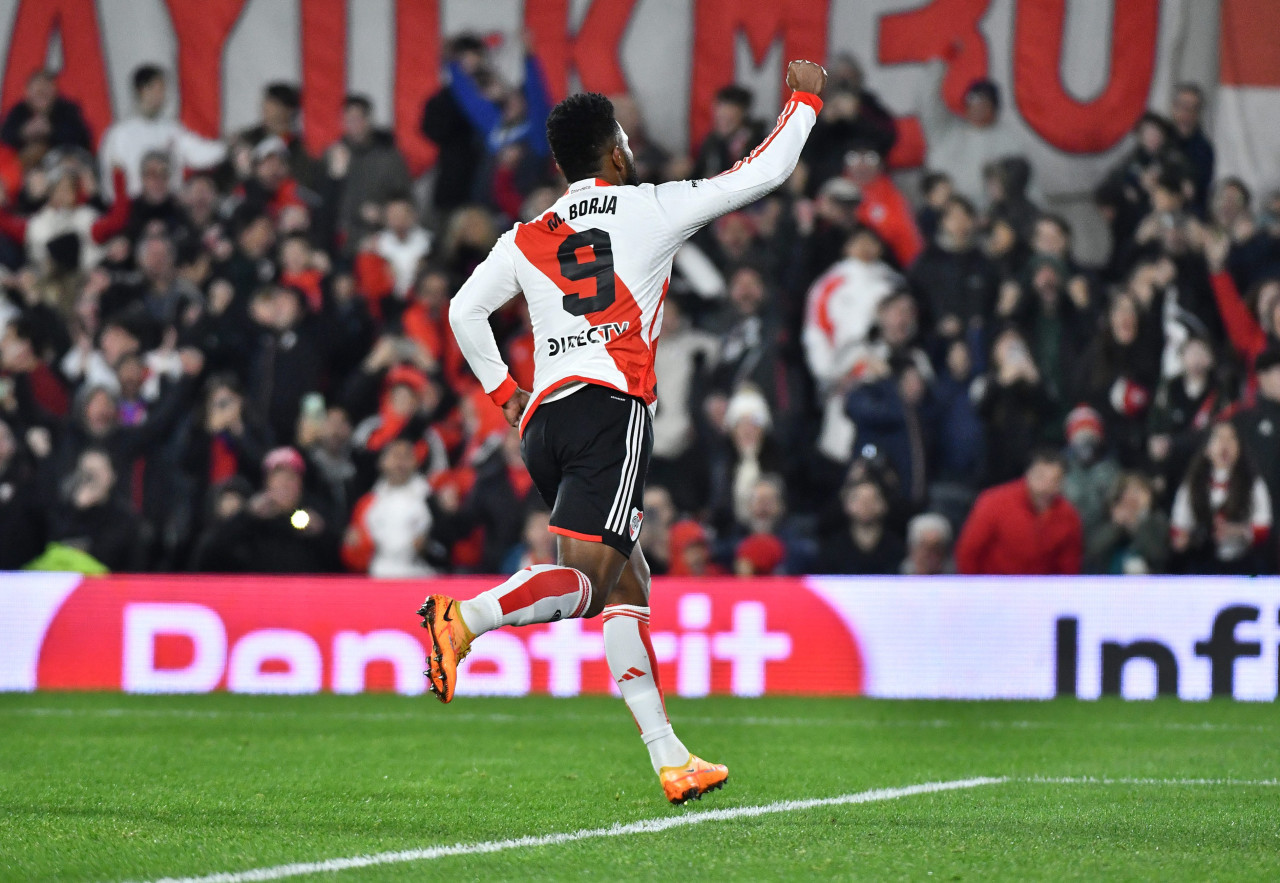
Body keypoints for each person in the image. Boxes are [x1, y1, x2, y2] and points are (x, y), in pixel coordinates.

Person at [427, 61, 827, 805]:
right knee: (588, 584)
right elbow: (761, 173)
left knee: (628, 584)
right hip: (611, 410)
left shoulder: (529, 234)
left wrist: (504, 392)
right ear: (614, 148)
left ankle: (671, 756)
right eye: (625, 137)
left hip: (545, 421)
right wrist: (804, 101)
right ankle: (468, 618)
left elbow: (461, 312)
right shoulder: (650, 206)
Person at [98, 66, 225, 199]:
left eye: (163, 90)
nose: (163, 95)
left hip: (170, 207)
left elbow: (198, 152)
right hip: (136, 208)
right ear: (142, 90)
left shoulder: (171, 129)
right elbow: (109, 178)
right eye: (158, 89)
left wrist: (228, 149)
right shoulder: (119, 134)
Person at [955, 448, 1083, 575]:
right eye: (1041, 477)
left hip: (1041, 591)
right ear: (1028, 474)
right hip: (994, 588)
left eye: (1054, 480)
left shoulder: (1069, 515)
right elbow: (968, 552)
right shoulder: (993, 502)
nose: (1046, 486)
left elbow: (1069, 568)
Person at [1170, 420, 1272, 574]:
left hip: (1244, 563)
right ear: (1207, 449)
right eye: (1219, 438)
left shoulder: (1253, 484)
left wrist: (1236, 531)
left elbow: (1263, 528)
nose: (1225, 445)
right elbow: (1179, 527)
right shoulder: (1193, 485)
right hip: (1203, 562)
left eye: (1231, 439)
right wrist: (1187, 539)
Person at [0, 70, 92, 156]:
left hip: (61, 161)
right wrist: (24, 132)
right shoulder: (19, 111)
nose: (41, 97)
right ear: (27, 93)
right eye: (38, 93)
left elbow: (81, 138)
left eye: (45, 92)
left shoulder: (67, 109)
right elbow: (5, 136)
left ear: (54, 90)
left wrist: (51, 131)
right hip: (24, 166)